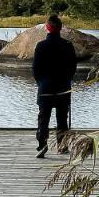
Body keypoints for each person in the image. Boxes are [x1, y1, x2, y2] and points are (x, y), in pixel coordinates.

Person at [32, 14, 77, 158]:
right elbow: (73, 67)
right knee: (62, 118)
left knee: (43, 118)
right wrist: (67, 80)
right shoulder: (68, 45)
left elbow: (35, 69)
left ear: (47, 28)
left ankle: (42, 145)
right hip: (63, 88)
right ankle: (62, 146)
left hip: (45, 88)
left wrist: (41, 83)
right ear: (60, 28)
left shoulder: (41, 46)